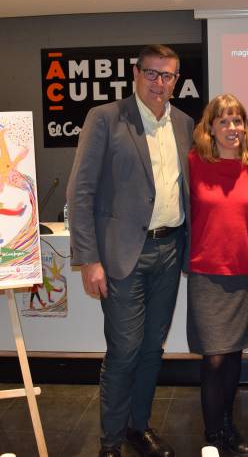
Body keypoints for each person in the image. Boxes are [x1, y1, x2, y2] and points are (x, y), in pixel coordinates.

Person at [66, 44, 194, 457]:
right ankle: (109, 442)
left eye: (168, 75)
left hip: (170, 250)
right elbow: (81, 190)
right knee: (124, 351)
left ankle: (139, 428)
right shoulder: (105, 118)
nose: (160, 83)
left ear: (177, 79)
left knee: (153, 349)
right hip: (123, 256)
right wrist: (88, 258)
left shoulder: (185, 124)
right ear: (136, 74)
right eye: (153, 74)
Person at [187, 94, 248, 457]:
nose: (232, 128)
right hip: (206, 272)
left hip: (244, 272)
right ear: (210, 128)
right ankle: (213, 434)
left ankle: (227, 425)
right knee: (215, 358)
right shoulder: (194, 163)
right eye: (223, 121)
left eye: (237, 120)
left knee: (234, 355)